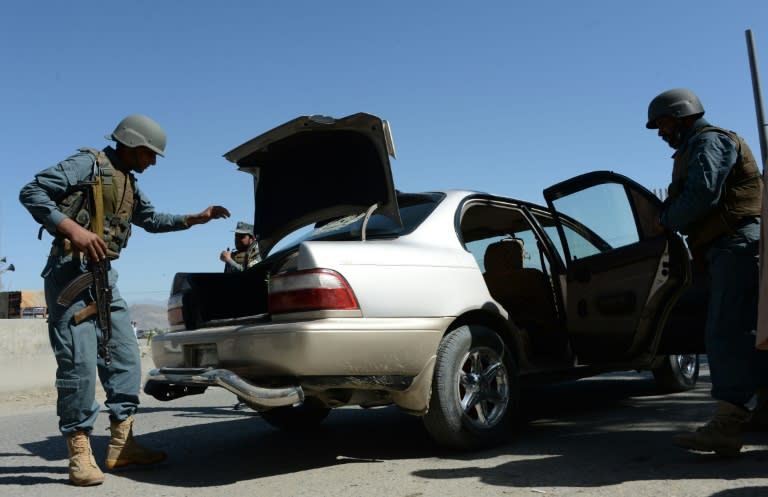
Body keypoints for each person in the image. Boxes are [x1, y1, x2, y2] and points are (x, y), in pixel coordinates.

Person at [19, 114, 231, 486]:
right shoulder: (88, 163)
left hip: (104, 277)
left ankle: (122, 445)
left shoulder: (127, 181)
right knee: (79, 365)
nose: (152, 162)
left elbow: (150, 218)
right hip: (70, 272)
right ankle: (79, 452)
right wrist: (73, 230)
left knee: (125, 359)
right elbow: (32, 191)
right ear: (133, 145)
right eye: (150, 154)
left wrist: (195, 219)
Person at [647, 88, 768, 456]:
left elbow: (703, 194)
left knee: (727, 331)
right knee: (749, 332)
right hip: (726, 247)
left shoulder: (710, 141)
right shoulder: (693, 148)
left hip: (735, 245)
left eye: (663, 124)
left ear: (682, 116)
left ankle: (728, 424)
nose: (660, 132)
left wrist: (666, 220)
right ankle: (755, 411)